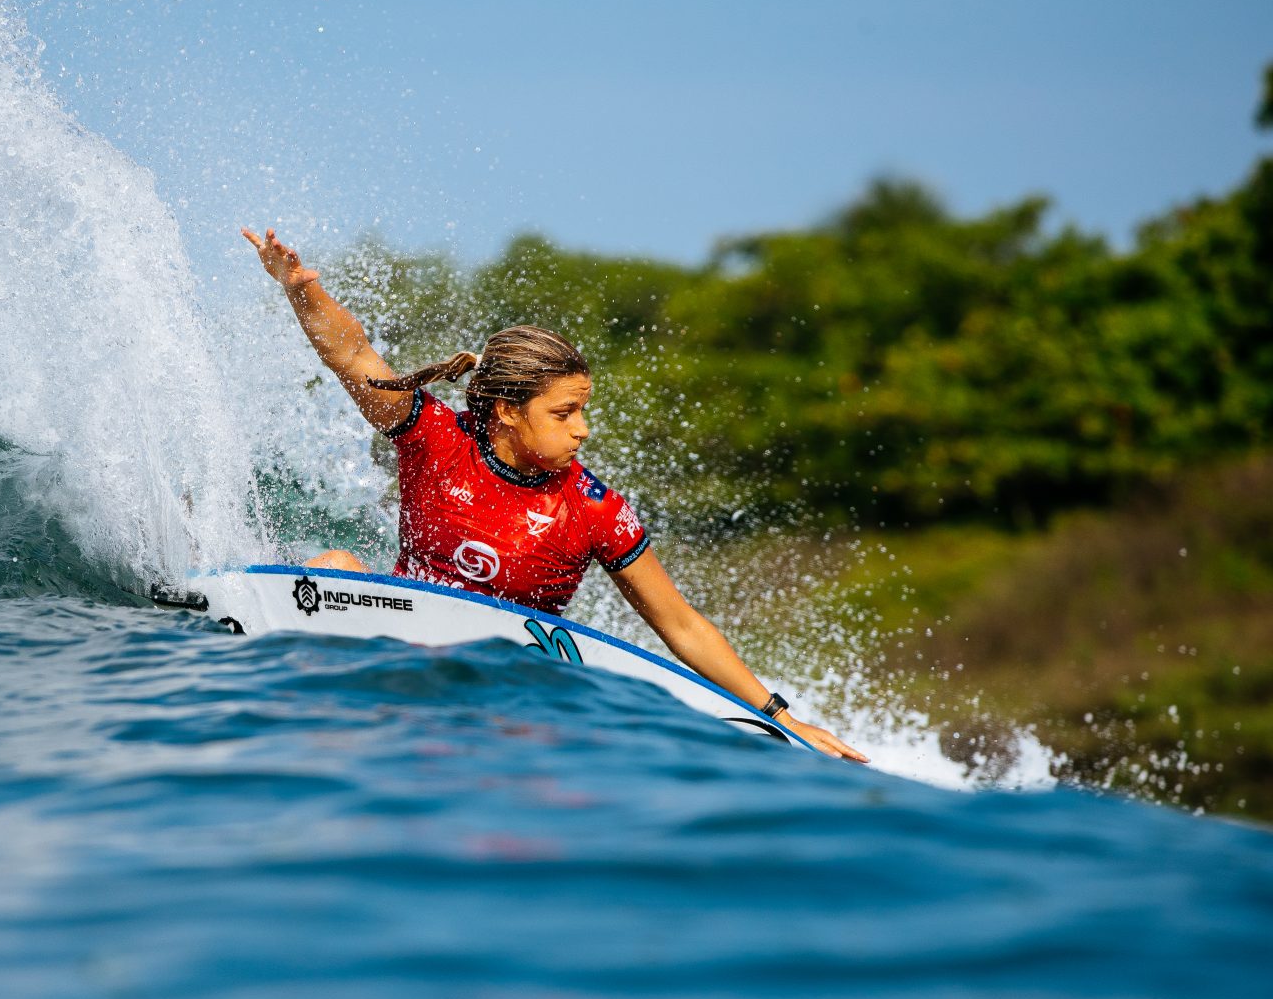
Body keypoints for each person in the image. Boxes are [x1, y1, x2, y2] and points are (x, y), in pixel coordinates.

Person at [242, 225, 869, 763]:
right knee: (333, 569)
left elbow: (679, 624)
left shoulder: (594, 508)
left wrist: (781, 718)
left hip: (518, 703)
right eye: (565, 413)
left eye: (583, 411)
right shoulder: (436, 440)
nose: (583, 429)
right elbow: (354, 355)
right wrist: (301, 289)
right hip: (404, 672)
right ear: (510, 412)